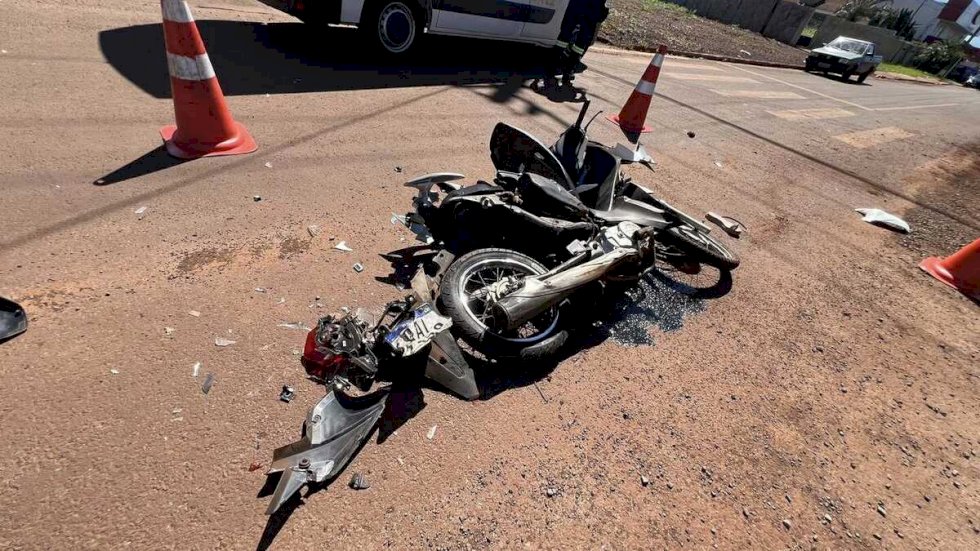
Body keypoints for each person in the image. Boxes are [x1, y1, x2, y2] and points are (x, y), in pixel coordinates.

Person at [554, 0, 610, 86]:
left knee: (566, 38)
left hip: (580, 6)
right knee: (579, 43)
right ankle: (566, 72)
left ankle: (554, 69)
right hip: (592, 9)